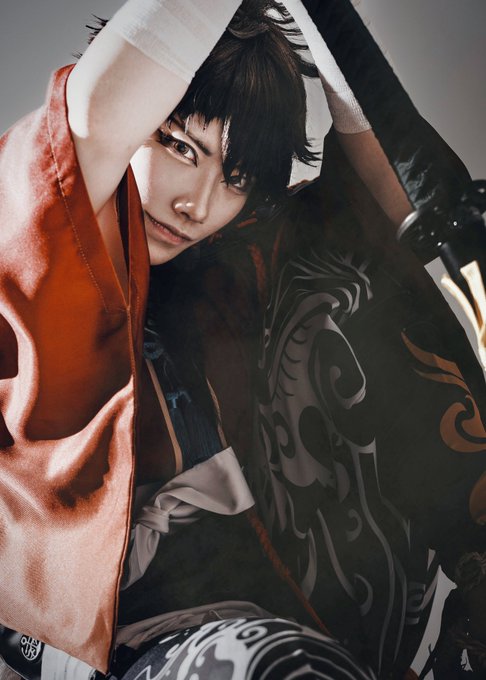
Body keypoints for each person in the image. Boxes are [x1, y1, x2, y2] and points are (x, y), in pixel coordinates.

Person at [0, 1, 484, 679]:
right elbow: (92, 119)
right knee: (270, 664)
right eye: (180, 147)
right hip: (121, 640)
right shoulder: (31, 231)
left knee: (344, 272)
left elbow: (406, 197)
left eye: (236, 177)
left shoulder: (240, 261)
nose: (197, 203)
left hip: (298, 609)